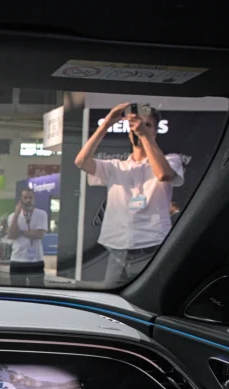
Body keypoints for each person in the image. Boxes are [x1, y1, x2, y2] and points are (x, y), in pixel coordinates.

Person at [74, 102, 184, 286]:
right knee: (112, 299)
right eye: (137, 125)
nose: (141, 128)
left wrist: (145, 136)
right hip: (117, 250)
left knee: (149, 298)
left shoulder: (171, 160)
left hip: (152, 247)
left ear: (155, 132)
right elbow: (81, 162)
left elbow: (163, 174)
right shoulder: (115, 166)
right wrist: (107, 123)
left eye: (148, 125)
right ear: (128, 131)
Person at [7, 187, 49, 287]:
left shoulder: (41, 214)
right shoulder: (13, 216)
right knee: (17, 290)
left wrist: (20, 232)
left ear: (34, 199)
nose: (28, 200)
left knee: (38, 289)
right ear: (20, 200)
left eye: (30, 198)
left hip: (36, 260)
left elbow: (39, 235)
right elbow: (12, 235)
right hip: (17, 260)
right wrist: (16, 214)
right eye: (25, 198)